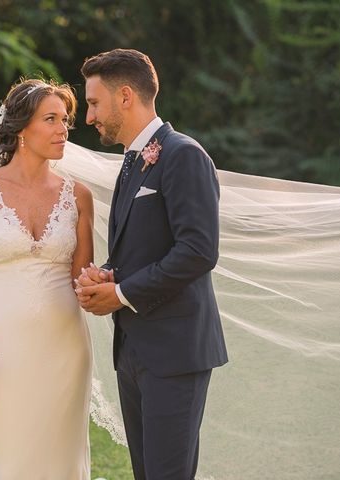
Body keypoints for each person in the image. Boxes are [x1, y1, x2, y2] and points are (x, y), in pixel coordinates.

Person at [75, 48, 228, 480]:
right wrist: (108, 273)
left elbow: (198, 250)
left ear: (125, 96)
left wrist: (120, 294)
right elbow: (144, 246)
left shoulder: (183, 155)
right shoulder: (131, 161)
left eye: (93, 102)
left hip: (175, 351)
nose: (89, 117)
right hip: (135, 350)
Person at [0, 78, 94, 479]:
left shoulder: (78, 196)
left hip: (65, 349)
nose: (63, 129)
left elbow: (84, 278)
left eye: (66, 120)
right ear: (22, 128)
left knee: (61, 461)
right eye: (51, 119)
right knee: (8, 460)